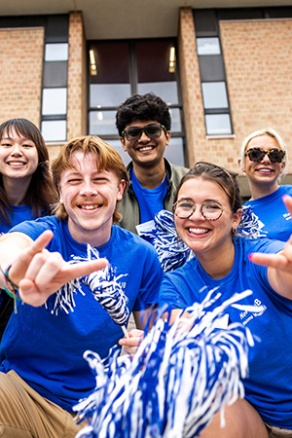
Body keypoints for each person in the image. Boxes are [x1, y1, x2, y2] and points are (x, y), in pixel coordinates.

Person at [0, 135, 163, 437]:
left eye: (100, 179)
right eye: (74, 180)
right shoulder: (40, 235)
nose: (87, 191)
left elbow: (154, 332)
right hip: (23, 393)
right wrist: (14, 275)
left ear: (119, 189)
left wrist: (150, 346)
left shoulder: (142, 255)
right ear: (60, 191)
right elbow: (9, 249)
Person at [121, 161, 292, 437]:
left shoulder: (262, 256)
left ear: (236, 217)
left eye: (212, 206)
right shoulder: (174, 284)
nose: (196, 216)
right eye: (186, 205)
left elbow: (282, 277)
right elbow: (178, 327)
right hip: (254, 418)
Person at [0, 118, 58, 339]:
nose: (16, 152)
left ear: (40, 155)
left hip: (37, 333)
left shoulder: (54, 212)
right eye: (6, 144)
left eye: (26, 145)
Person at [115, 92, 189, 236]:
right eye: (133, 132)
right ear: (123, 142)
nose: (143, 139)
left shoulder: (192, 182)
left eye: (152, 130)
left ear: (167, 136)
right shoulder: (112, 192)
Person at [238, 128, 292, 241]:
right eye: (255, 154)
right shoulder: (240, 219)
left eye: (275, 155)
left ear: (282, 165)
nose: (266, 160)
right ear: (242, 164)